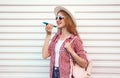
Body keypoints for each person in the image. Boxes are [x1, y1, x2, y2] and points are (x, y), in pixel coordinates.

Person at [42, 6, 88, 78]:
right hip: (53, 73)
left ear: (68, 19)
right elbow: (44, 55)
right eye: (56, 18)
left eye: (60, 18)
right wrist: (48, 35)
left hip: (66, 75)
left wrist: (71, 51)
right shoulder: (56, 37)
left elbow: (84, 64)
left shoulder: (75, 39)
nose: (57, 20)